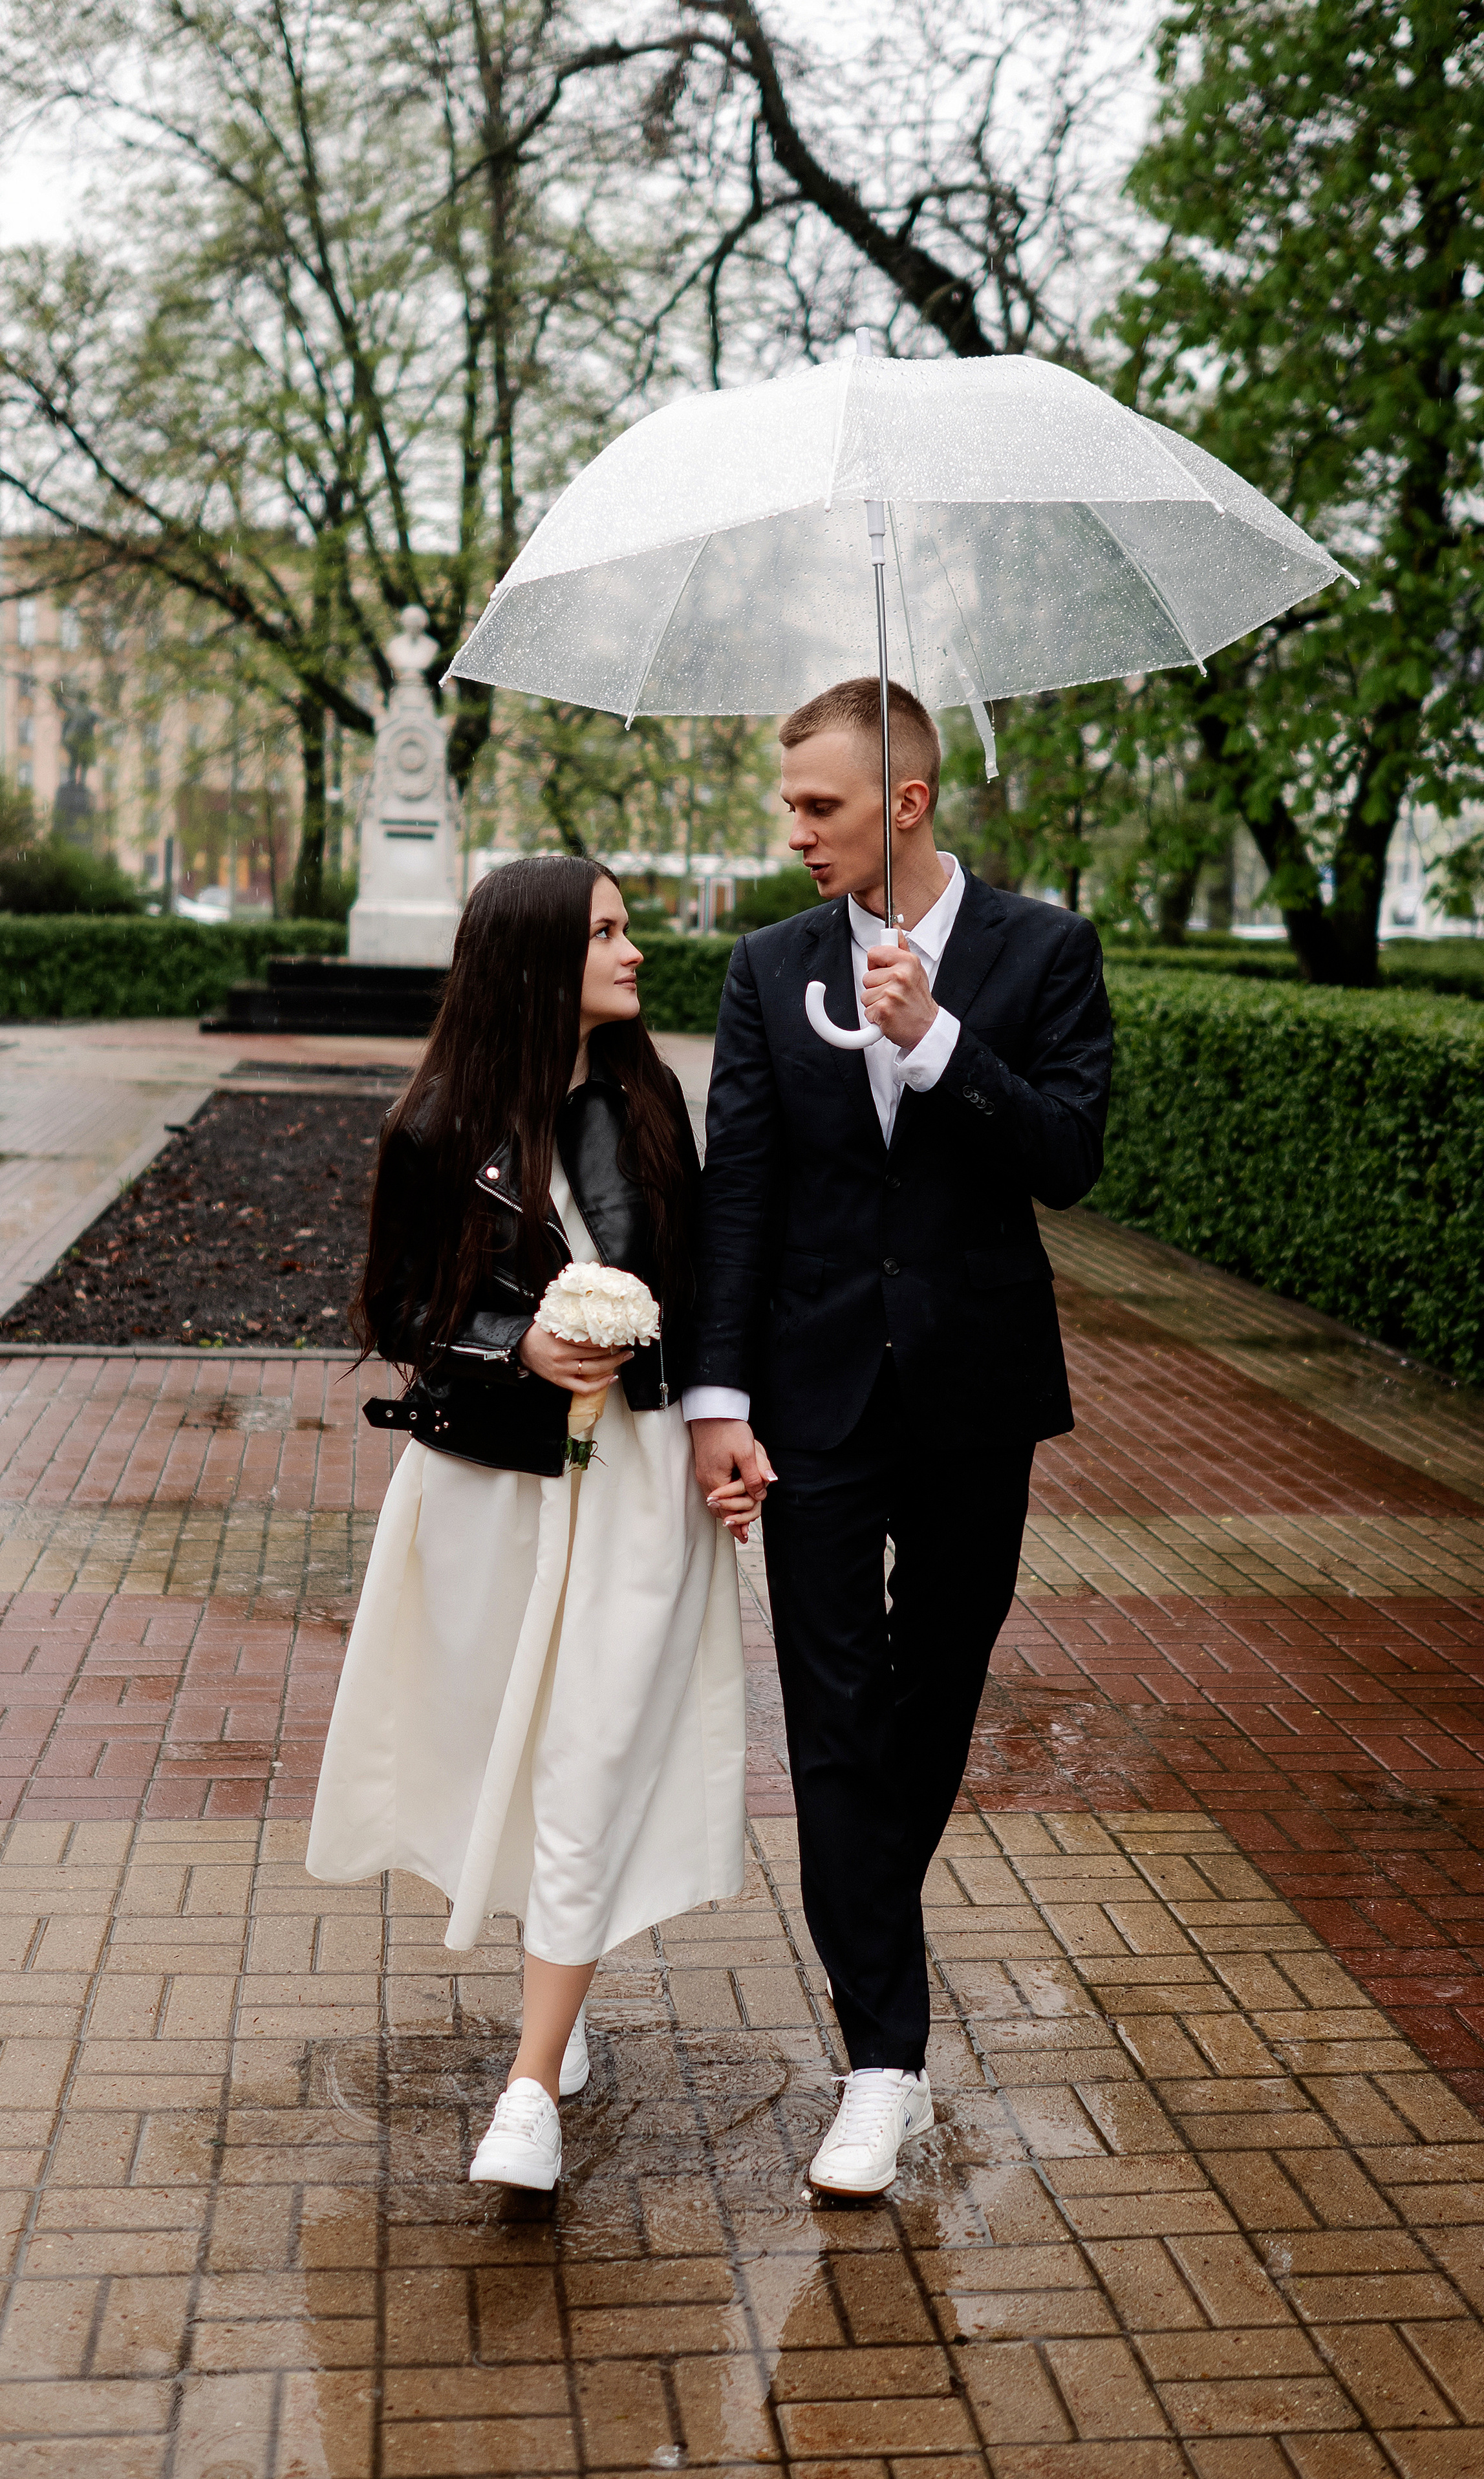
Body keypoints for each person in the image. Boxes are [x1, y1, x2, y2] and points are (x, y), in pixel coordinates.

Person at [685, 676, 1112, 2198]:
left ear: (908, 803)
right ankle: (882, 2063)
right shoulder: (765, 966)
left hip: (973, 1392)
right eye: (789, 805)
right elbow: (739, 1191)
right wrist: (715, 1401)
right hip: (806, 1396)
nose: (795, 831)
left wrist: (936, 1044)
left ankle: (868, 1937)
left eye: (821, 806)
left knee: (928, 1701)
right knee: (830, 1717)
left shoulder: (1043, 951)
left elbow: (1066, 1157)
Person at [308, 855, 749, 2195]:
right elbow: (394, 1312)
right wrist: (518, 1346)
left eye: (626, 927)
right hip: (491, 1488)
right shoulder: (437, 1123)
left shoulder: (647, 1100)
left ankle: (529, 2084)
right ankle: (557, 2009)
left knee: (591, 1755)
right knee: (510, 1746)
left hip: (634, 1483)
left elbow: (704, 1282)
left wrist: (721, 1426)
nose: (633, 949)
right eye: (605, 930)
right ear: (537, 957)